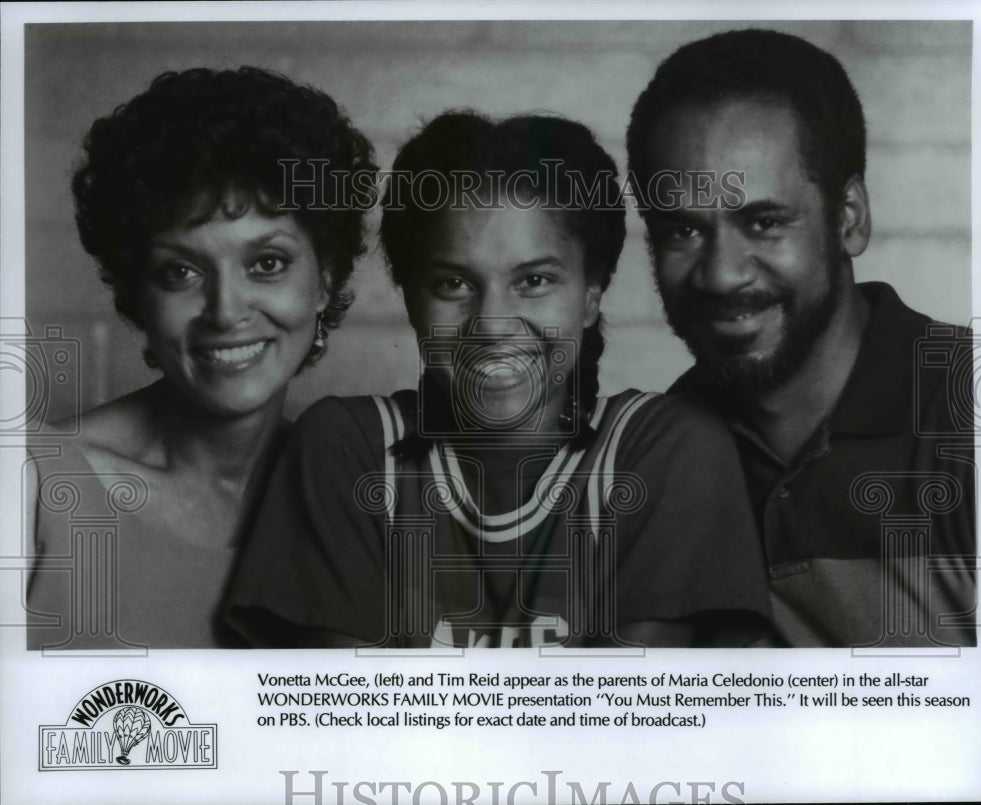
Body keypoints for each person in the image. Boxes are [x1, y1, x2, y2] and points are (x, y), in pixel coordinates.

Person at [226, 112, 772, 649]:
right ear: (411, 299)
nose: (491, 324)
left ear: (591, 294)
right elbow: (350, 705)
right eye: (453, 283)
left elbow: (625, 705)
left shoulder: (664, 448)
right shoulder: (349, 448)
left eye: (534, 280)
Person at [626, 29, 976, 647]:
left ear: (850, 219)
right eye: (682, 231)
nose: (721, 275)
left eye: (763, 222)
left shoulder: (975, 418)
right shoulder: (654, 457)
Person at [25, 66, 376, 649]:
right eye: (181, 272)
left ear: (325, 280)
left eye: (267, 263)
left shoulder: (353, 500)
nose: (226, 311)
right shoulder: (33, 486)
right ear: (138, 295)